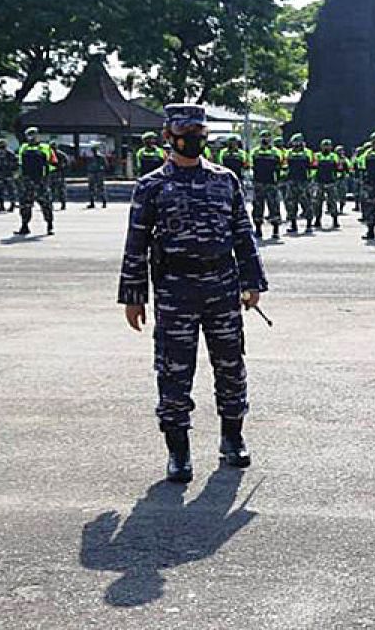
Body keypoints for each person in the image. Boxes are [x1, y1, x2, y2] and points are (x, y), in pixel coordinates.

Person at [118, 104, 267, 483]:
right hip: (175, 290)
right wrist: (134, 295)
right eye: (186, 132)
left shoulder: (225, 179)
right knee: (173, 370)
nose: (195, 139)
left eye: (200, 132)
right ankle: (178, 451)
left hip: (221, 285)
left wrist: (253, 283)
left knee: (231, 365)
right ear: (169, 136)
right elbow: (136, 243)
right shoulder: (151, 186)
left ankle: (232, 438)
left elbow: (242, 234)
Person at [15, 127, 57, 236]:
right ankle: (24, 226)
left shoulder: (46, 147)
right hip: (27, 181)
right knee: (25, 205)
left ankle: (49, 225)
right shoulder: (23, 147)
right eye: (29, 135)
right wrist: (19, 177)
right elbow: (20, 163)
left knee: (46, 204)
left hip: (41, 181)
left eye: (33, 134)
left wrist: (46, 176)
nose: (31, 137)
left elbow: (53, 163)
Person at [250, 131, 283, 239]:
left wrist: (278, 180)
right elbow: (250, 166)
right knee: (257, 207)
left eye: (268, 137)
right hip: (258, 182)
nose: (266, 139)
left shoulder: (276, 152)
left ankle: (275, 230)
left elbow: (282, 167)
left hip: (271, 183)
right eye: (263, 137)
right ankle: (258, 229)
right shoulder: (254, 152)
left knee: (274, 206)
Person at [283, 133, 316, 234]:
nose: (296, 144)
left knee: (307, 203)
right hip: (291, 181)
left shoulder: (308, 153)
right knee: (291, 204)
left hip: (304, 182)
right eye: (294, 142)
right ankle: (293, 225)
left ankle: (309, 225)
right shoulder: (288, 153)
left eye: (298, 142)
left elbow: (314, 166)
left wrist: (310, 179)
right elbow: (284, 166)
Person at [313, 139, 343, 230]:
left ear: (331, 147)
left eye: (328, 145)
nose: (326, 147)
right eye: (324, 145)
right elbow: (313, 168)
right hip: (319, 182)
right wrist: (314, 179)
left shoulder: (334, 156)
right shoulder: (317, 155)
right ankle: (317, 219)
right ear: (321, 146)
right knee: (317, 202)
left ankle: (335, 220)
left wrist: (335, 178)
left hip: (331, 182)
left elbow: (339, 168)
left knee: (333, 202)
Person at [0, 138, 18, 212]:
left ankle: (11, 205)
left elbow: (15, 164)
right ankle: (2, 206)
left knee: (10, 191)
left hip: (8, 174)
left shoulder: (10, 153)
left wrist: (14, 172)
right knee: (1, 191)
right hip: (2, 175)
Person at [86, 145, 109, 209]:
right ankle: (92, 203)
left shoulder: (101, 157)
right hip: (92, 173)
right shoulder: (91, 157)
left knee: (100, 188)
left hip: (98, 173)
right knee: (92, 189)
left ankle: (104, 202)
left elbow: (106, 165)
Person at [49, 141, 69, 211]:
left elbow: (66, 163)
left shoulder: (60, 154)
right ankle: (51, 204)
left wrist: (62, 168)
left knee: (60, 190)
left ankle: (62, 204)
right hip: (52, 174)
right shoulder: (49, 154)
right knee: (52, 190)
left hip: (58, 174)